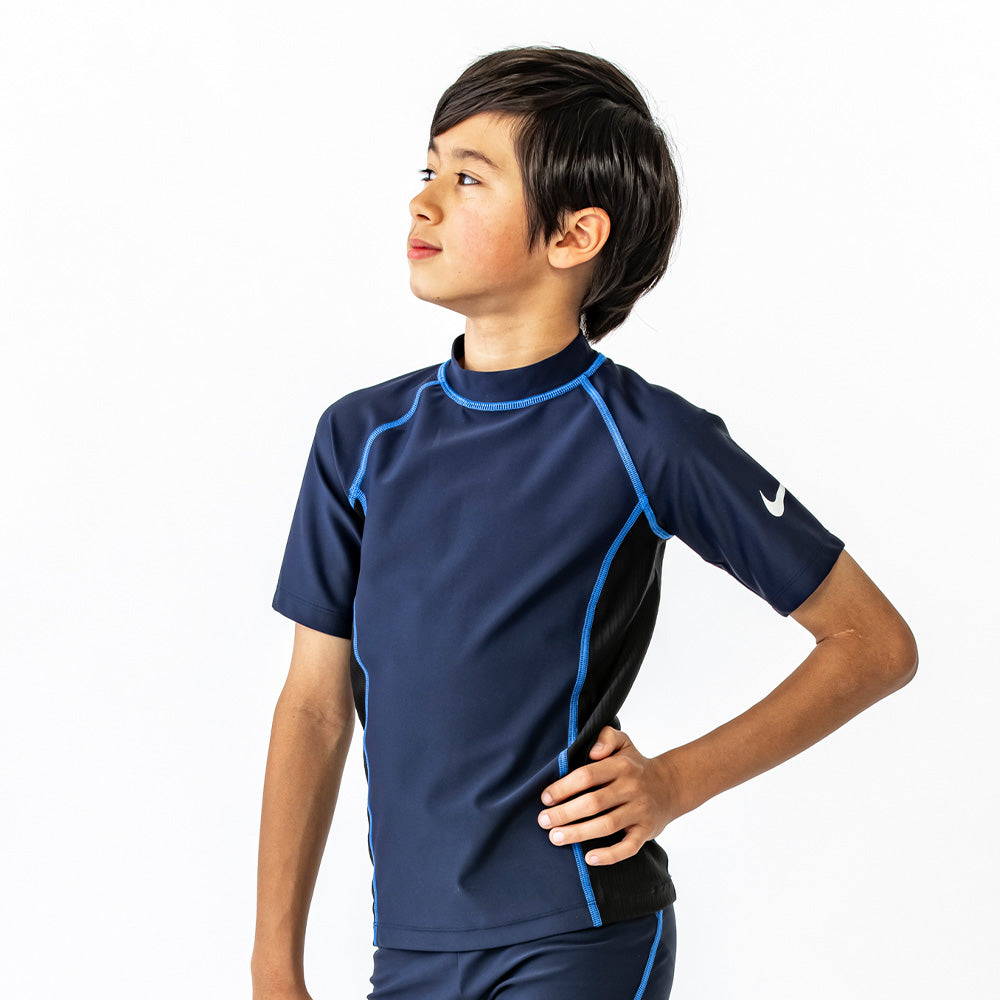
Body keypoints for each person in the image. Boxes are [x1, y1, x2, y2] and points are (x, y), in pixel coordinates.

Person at [251, 46, 917, 1000]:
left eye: (468, 179)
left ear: (573, 234)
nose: (423, 203)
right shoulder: (360, 439)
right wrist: (274, 967)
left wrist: (675, 782)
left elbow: (872, 643)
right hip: (410, 949)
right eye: (427, 170)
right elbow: (314, 708)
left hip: (579, 933)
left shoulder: (649, 440)